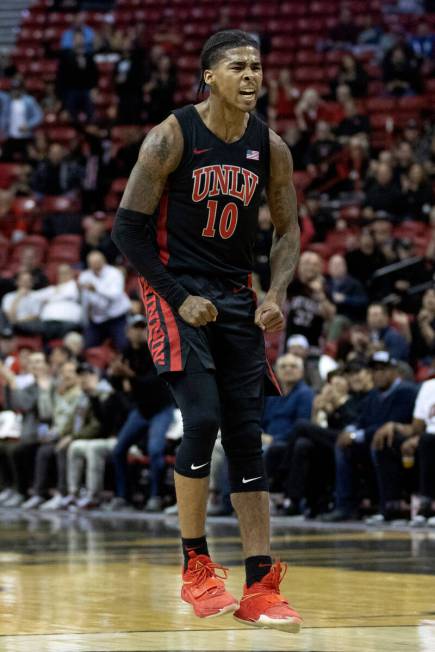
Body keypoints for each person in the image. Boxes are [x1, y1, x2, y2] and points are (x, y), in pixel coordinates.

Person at [112, 30, 302, 631]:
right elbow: (127, 232)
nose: (252, 76)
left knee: (248, 433)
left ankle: (258, 584)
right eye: (239, 67)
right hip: (177, 287)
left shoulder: (270, 147)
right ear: (210, 77)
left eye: (258, 66)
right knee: (204, 417)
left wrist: (274, 292)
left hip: (237, 296)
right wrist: (178, 297)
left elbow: (289, 231)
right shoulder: (170, 136)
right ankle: (195, 564)